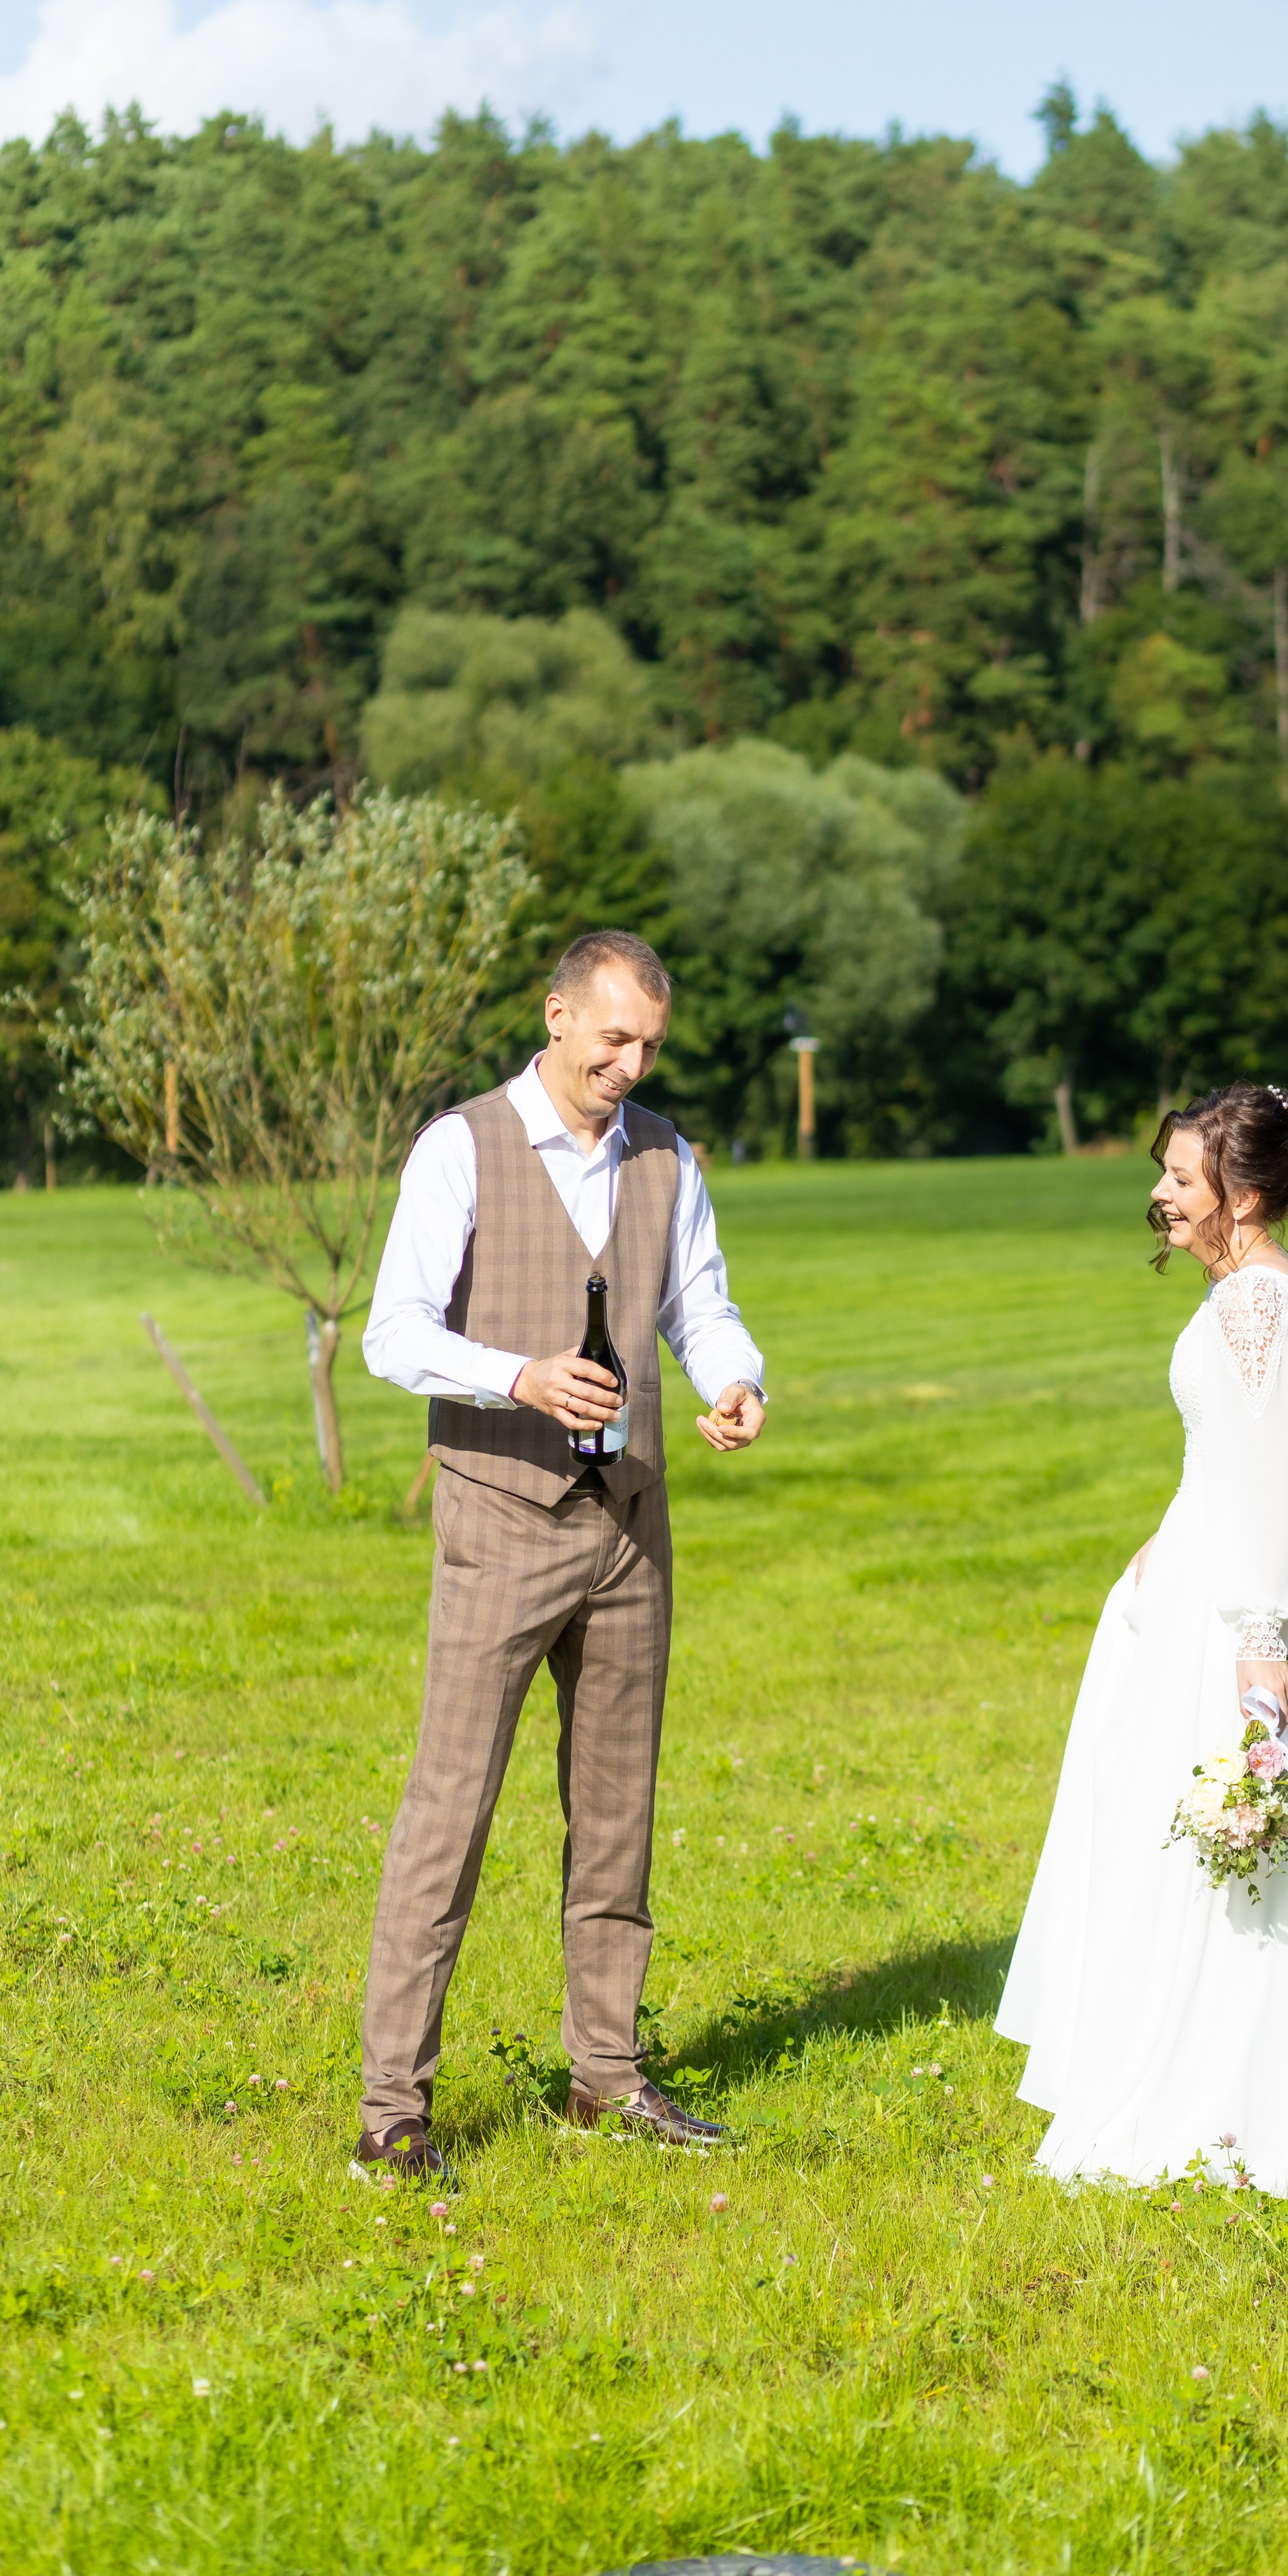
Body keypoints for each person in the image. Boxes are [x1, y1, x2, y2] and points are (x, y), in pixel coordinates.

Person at [355, 929, 766, 2179]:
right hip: (499, 1521)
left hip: (631, 1529)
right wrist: (520, 1377)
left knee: (618, 1811)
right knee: (450, 1810)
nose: (631, 1065)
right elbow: (392, 1335)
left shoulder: (667, 1156)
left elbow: (697, 1302)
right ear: (557, 1017)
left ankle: (607, 2078)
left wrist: (735, 1379)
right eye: (615, 1039)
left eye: (650, 1046)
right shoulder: (461, 1147)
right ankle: (392, 2113)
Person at [995, 1083, 1288, 2199]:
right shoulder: (1245, 1291)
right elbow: (1229, 1455)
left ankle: (1225, 2105)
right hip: (1204, 1581)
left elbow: (1279, 1478)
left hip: (1243, 1611)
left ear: (1240, 1195)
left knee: (1228, 1840)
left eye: (1181, 1178)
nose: (1159, 1192)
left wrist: (1260, 1642)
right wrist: (1165, 1543)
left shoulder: (1256, 1308)